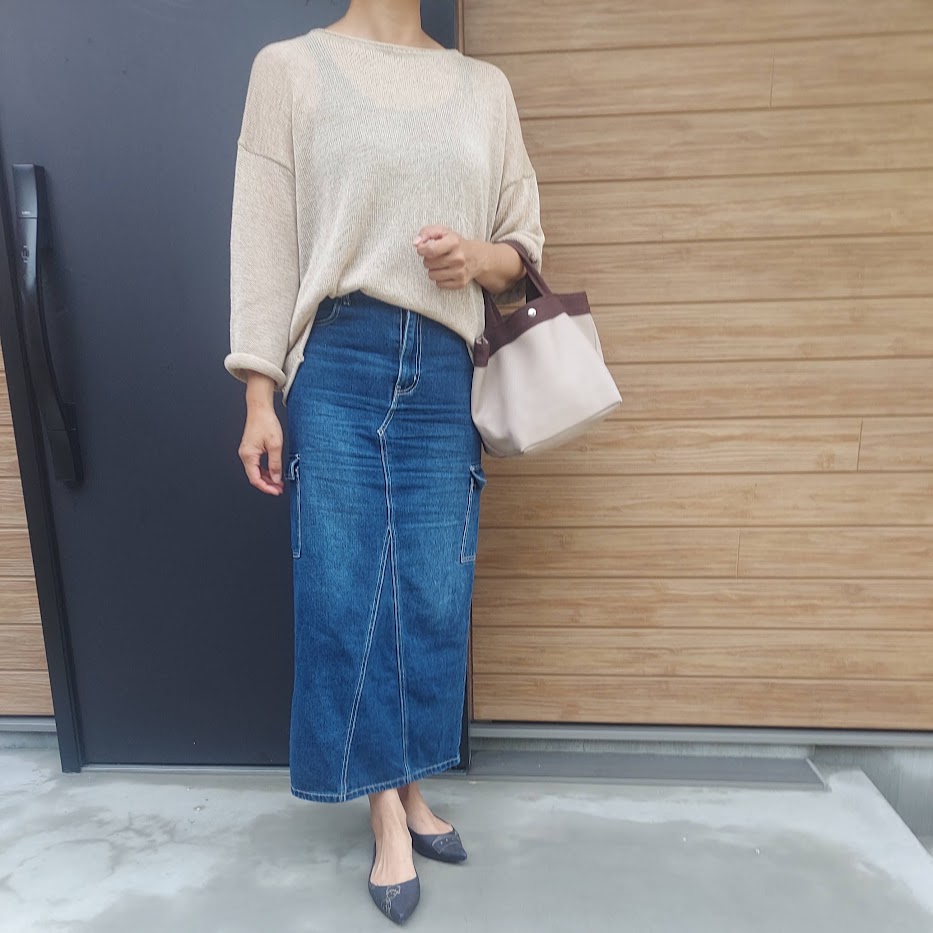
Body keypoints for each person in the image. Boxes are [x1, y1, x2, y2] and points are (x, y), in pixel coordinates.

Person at [224, 0, 544, 923]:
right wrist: (257, 392)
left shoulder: (484, 88)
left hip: (444, 365)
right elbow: (263, 238)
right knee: (344, 589)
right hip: (339, 356)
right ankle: (386, 815)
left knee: (431, 590)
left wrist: (477, 258)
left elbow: (524, 244)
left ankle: (409, 782)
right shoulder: (289, 69)